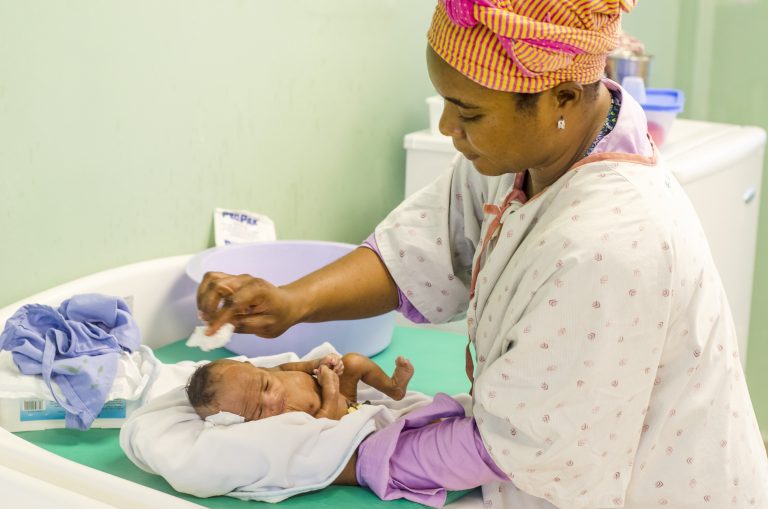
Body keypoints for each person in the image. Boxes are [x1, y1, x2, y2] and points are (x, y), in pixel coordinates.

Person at [196, 0, 768, 507]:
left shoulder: (606, 244)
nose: (447, 127)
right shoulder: (536, 152)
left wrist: (332, 458)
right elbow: (421, 247)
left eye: (468, 112)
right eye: (446, 103)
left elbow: (526, 445)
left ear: (561, 97)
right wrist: (293, 302)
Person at [186, 352, 414, 421]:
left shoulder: (267, 372)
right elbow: (322, 426)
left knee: (354, 361)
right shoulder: (284, 418)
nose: (271, 401)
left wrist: (317, 364)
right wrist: (331, 391)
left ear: (254, 367)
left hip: (341, 392)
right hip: (344, 414)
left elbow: (289, 368)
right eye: (258, 411)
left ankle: (394, 388)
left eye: (266, 386)